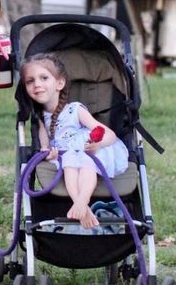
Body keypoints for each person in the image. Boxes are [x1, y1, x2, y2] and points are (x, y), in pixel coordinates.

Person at [20, 52, 129, 230]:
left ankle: (81, 201)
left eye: (44, 78)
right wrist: (48, 154)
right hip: (68, 154)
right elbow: (45, 147)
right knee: (69, 165)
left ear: (60, 83)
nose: (37, 84)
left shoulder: (74, 109)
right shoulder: (41, 118)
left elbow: (108, 134)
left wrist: (98, 144)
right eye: (30, 81)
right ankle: (82, 207)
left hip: (93, 150)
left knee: (85, 162)